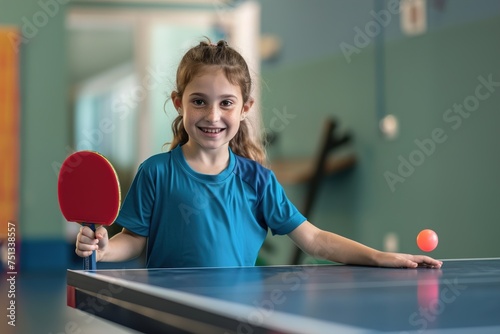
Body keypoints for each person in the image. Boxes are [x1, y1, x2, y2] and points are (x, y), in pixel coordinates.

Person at [75, 40, 442, 269]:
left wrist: (380, 257)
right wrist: (104, 249)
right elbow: (134, 240)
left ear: (245, 108)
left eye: (226, 103)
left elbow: (313, 240)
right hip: (169, 315)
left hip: (237, 316)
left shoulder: (257, 179)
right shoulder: (155, 172)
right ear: (178, 103)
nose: (213, 115)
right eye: (199, 101)